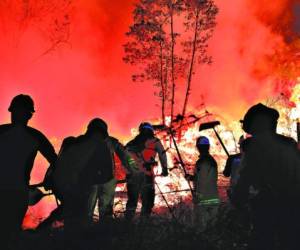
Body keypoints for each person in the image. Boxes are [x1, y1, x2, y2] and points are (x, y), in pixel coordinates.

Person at [231, 103, 300, 250]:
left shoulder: (255, 148)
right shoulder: (289, 145)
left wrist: (238, 199)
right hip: (293, 206)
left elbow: (245, 179)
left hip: (268, 208)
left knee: (263, 241)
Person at [0, 94, 57, 248]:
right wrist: (50, 179)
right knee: (11, 234)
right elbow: (56, 162)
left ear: (11, 111)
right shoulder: (36, 136)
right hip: (18, 193)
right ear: (30, 115)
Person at [85, 118, 135, 223]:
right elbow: (127, 156)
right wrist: (134, 169)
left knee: (86, 213)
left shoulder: (82, 141)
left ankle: (86, 235)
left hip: (89, 182)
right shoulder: (111, 142)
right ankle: (106, 232)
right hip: (108, 180)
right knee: (106, 213)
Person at [125, 122, 168, 220]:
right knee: (147, 203)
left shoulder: (131, 143)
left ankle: (126, 226)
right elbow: (163, 155)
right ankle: (144, 226)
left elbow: (125, 158)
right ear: (151, 130)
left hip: (133, 176)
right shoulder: (155, 141)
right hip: (147, 176)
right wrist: (165, 170)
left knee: (132, 202)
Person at [191, 136, 220, 232]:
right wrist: (192, 178)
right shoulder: (212, 161)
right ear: (208, 147)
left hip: (204, 199)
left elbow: (202, 181)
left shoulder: (201, 162)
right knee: (213, 227)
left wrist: (197, 196)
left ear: (198, 147)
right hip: (214, 197)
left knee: (202, 228)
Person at [223, 135, 245, 200]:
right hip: (252, 192)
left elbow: (226, 174)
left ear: (240, 146)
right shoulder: (256, 159)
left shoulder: (232, 158)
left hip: (235, 191)